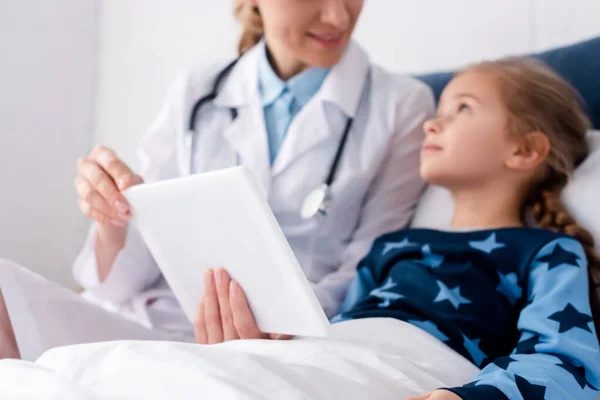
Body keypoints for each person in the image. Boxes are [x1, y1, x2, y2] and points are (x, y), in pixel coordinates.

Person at [0, 0, 433, 361]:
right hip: (141, 317)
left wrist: (283, 320)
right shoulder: (199, 88)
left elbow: (371, 261)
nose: (339, 17)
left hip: (266, 339)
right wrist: (112, 218)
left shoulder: (401, 105)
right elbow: (120, 282)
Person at [193, 58, 600, 399]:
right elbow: (340, 326)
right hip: (336, 353)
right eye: (437, 112)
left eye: (462, 109)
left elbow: (565, 361)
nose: (431, 125)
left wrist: (468, 396)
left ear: (525, 150)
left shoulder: (546, 251)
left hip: (415, 373)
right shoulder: (393, 245)